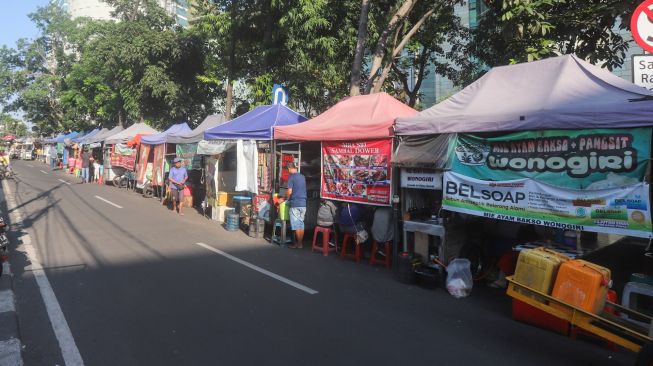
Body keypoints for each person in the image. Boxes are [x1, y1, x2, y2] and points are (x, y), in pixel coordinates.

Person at [286, 162, 307, 249]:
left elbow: (289, 192)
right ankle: (299, 243)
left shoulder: (291, 177)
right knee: (301, 224)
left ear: (289, 169)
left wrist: (286, 199)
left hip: (295, 203)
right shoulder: (302, 176)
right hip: (303, 204)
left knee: (296, 225)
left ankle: (299, 244)